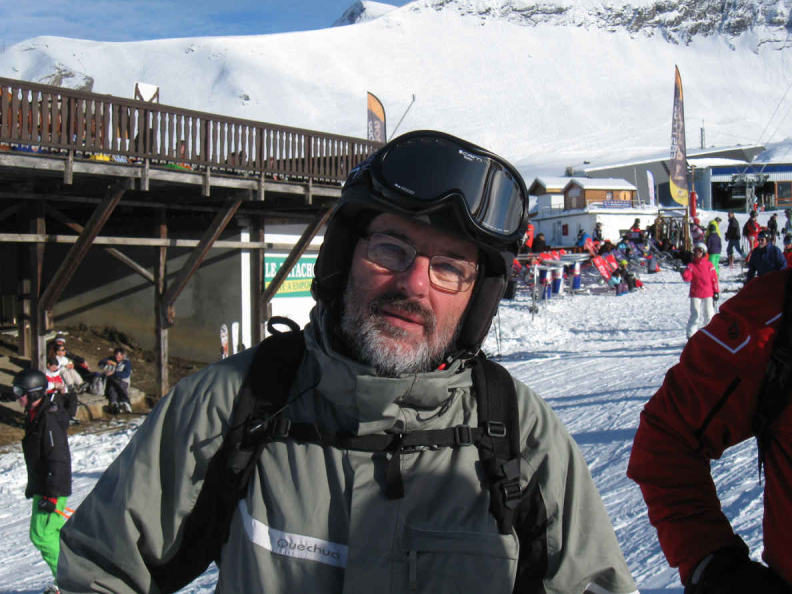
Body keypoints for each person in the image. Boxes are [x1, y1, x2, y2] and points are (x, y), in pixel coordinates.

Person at [58, 131, 638, 594]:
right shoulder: (234, 402)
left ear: (475, 299)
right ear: (345, 257)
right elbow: (99, 570)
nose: (414, 284)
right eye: (392, 249)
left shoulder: (517, 433)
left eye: (449, 268)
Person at [627, 265, 792, 593]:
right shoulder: (780, 308)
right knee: (697, 315)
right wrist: (712, 565)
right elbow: (665, 435)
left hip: (709, 292)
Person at [13, 368, 72, 594]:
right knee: (50, 534)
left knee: (42, 535)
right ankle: (73, 576)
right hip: (45, 485)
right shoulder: (37, 414)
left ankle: (68, 582)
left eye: (20, 392)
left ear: (35, 393)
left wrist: (51, 494)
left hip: (52, 487)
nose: (17, 397)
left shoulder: (47, 419)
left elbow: (57, 458)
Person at [681, 242, 719, 339]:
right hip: (696, 293)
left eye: (700, 251)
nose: (697, 253)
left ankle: (710, 334)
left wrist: (716, 291)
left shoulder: (709, 265)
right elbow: (687, 278)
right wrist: (683, 272)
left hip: (708, 292)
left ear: (704, 253)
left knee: (709, 314)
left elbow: (714, 279)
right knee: (695, 314)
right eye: (696, 251)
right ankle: (691, 336)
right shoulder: (691, 266)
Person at [99, 347, 133, 414]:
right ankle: (113, 404)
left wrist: (114, 373)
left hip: (123, 381)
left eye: (119, 356)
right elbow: (100, 363)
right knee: (112, 388)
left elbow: (126, 374)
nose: (117, 358)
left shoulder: (127, 363)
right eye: (116, 356)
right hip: (112, 380)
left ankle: (125, 402)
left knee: (119, 386)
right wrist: (106, 361)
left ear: (122, 355)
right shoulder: (112, 359)